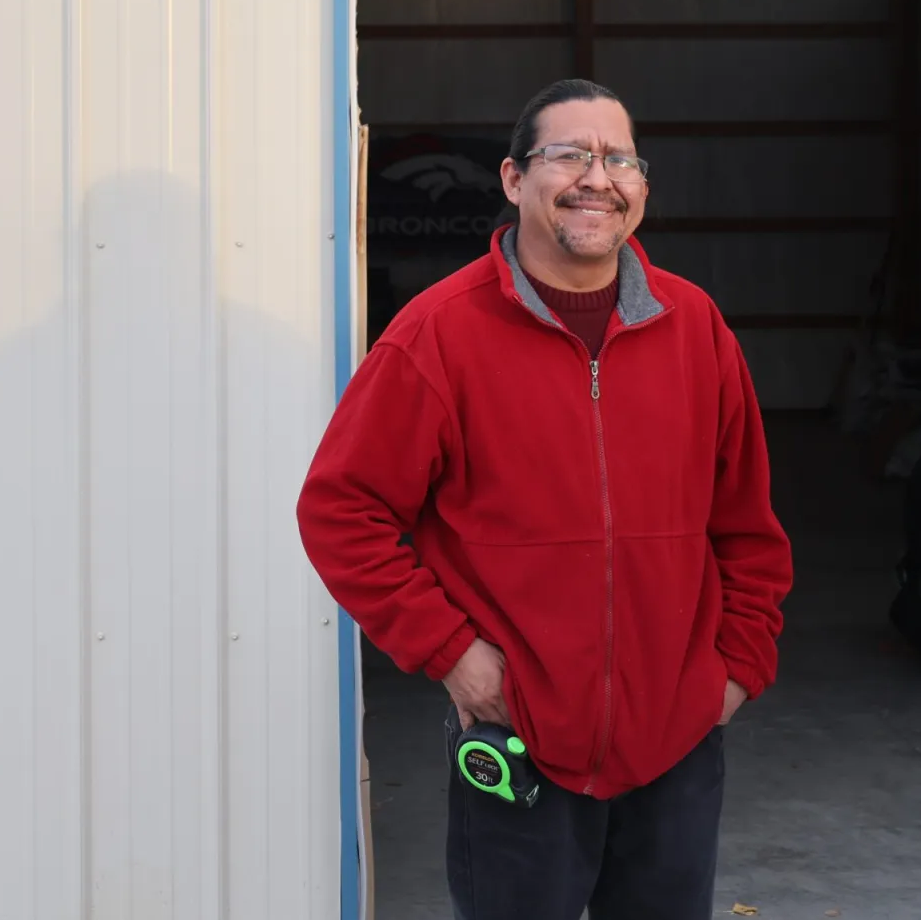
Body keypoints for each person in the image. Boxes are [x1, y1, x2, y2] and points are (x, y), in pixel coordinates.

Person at [296, 78, 793, 920]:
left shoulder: (695, 327)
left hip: (676, 741)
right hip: (517, 738)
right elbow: (341, 509)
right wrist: (452, 652)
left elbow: (746, 523)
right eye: (568, 155)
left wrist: (738, 667)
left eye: (619, 159)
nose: (597, 177)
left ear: (641, 186)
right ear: (513, 178)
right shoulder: (438, 333)